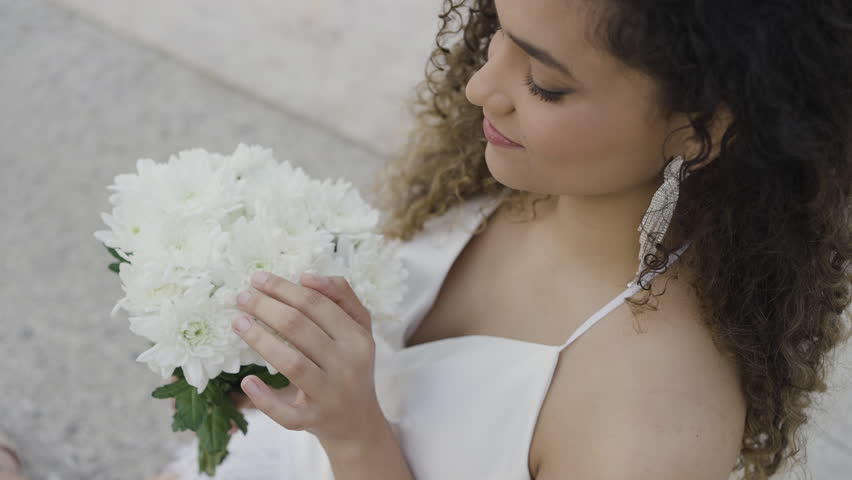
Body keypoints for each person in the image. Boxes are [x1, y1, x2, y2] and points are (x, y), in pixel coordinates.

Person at [153, 1, 852, 479]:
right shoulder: (514, 177)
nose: (480, 87)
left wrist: (355, 435)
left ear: (703, 127)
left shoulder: (653, 430)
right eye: (495, 27)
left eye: (545, 84)